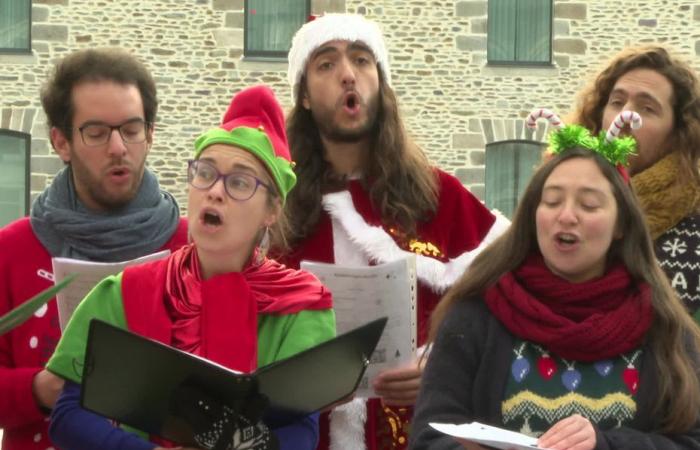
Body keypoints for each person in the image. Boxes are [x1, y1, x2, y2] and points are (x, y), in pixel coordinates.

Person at [44, 84, 335, 450]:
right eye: (205, 173)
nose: (215, 191)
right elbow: (69, 415)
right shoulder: (125, 291)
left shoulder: (301, 307)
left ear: (271, 211)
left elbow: (300, 433)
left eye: (240, 182)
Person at [281, 13, 509, 450]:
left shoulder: (440, 196)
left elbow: (502, 305)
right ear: (305, 96)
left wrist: (442, 364)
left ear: (381, 84)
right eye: (326, 64)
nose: (349, 74)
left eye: (363, 61)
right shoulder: (276, 204)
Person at [409, 112, 700, 450]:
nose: (566, 216)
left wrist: (605, 445)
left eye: (589, 205)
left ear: (621, 224)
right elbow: (429, 436)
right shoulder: (475, 312)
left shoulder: (663, 326)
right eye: (552, 201)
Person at [0, 48, 187, 450]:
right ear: (61, 142)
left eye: (132, 129)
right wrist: (38, 389)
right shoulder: (11, 251)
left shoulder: (193, 247)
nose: (118, 147)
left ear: (150, 134)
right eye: (97, 133)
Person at [571, 45, 700, 319]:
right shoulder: (557, 210)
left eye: (647, 108)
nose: (624, 117)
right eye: (616, 102)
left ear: (678, 133)